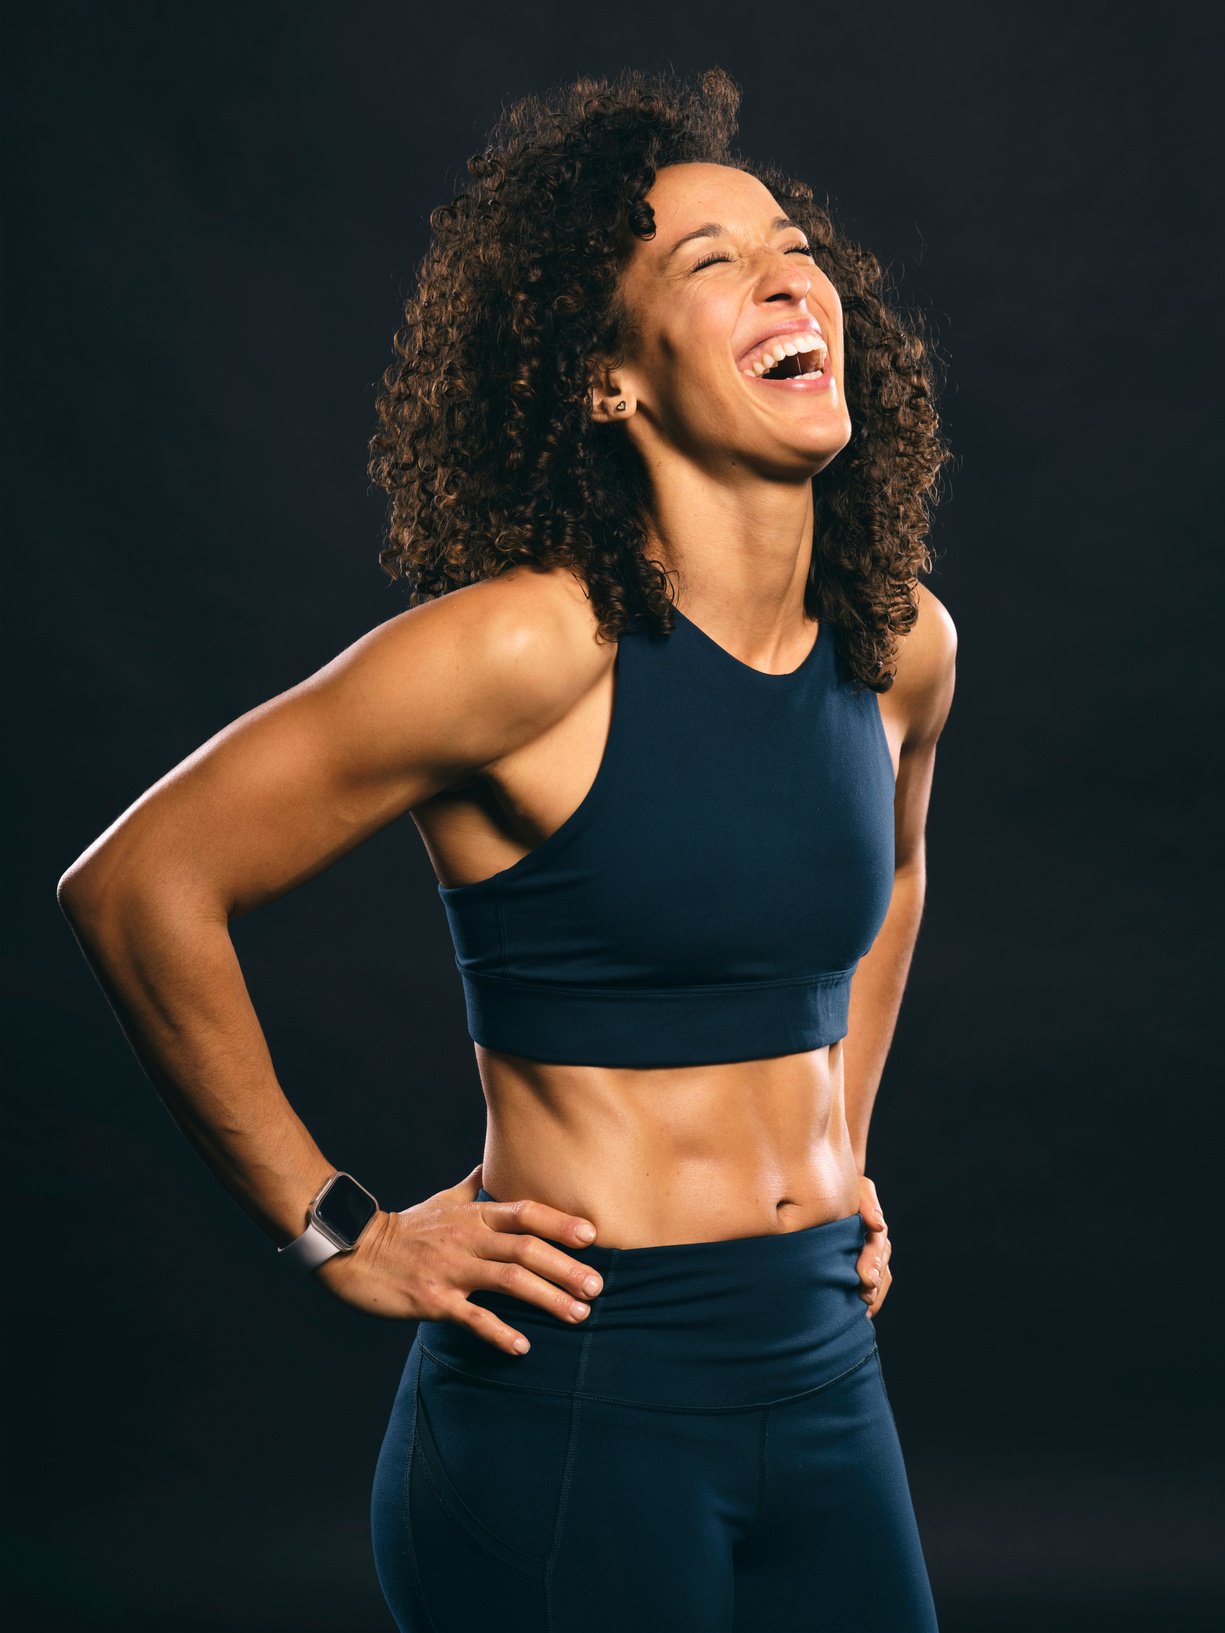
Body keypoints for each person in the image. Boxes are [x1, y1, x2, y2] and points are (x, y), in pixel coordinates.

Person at [57, 66, 956, 1633]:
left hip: (820, 1364)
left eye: (789, 240)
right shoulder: (530, 649)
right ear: (610, 383)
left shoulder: (900, 646)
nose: (782, 268)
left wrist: (839, 1145)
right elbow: (139, 884)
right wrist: (336, 1227)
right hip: (582, 1398)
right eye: (706, 260)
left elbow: (888, 877)